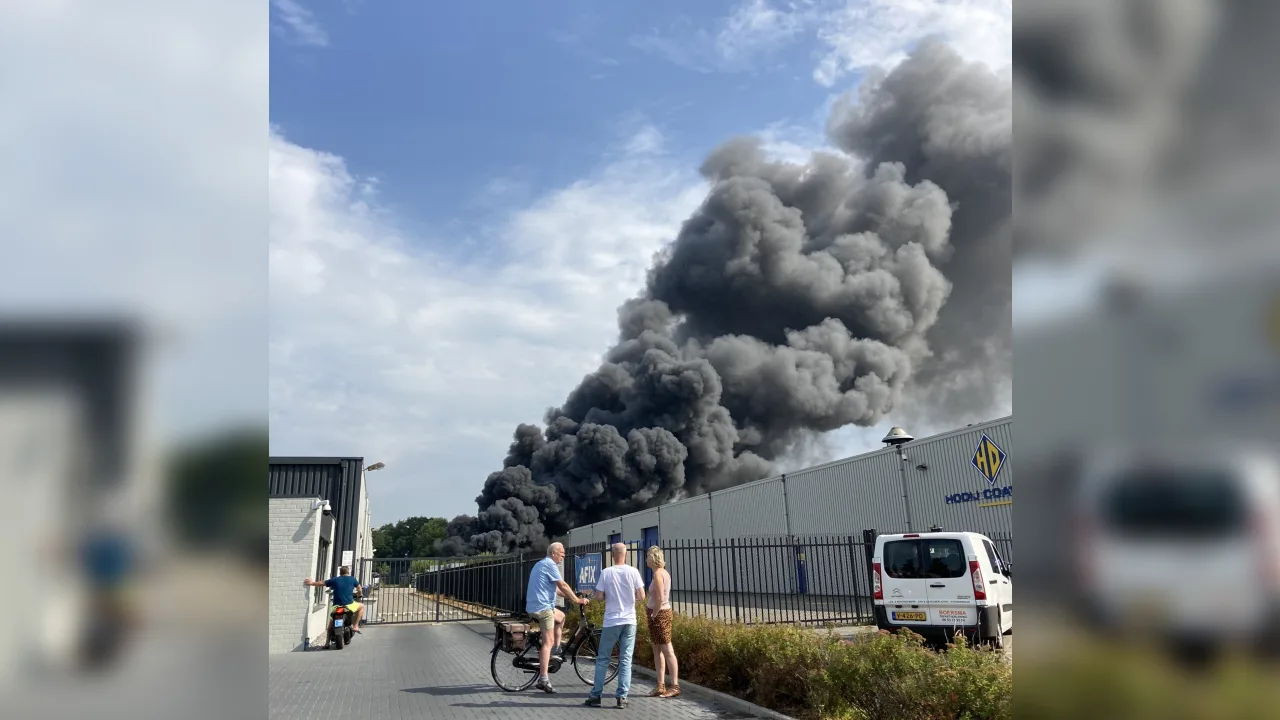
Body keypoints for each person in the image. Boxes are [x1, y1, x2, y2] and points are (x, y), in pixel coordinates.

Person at [584, 543, 645, 709]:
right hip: (629, 620)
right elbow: (641, 595)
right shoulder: (634, 572)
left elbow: (598, 596)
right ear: (625, 554)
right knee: (625, 659)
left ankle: (596, 695)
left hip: (612, 621)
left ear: (612, 555)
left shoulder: (606, 572)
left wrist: (607, 596)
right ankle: (622, 697)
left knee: (603, 658)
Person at [526, 542, 589, 694]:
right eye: (561, 553)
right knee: (547, 643)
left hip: (535, 606)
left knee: (561, 617)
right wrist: (577, 600)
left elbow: (556, 589)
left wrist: (572, 595)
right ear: (553, 553)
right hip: (543, 609)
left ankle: (557, 649)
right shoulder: (550, 565)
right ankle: (543, 679)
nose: (563, 555)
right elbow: (562, 585)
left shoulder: (541, 564)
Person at [644, 546, 680, 698]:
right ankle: (660, 685)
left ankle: (674, 685)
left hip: (660, 615)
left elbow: (659, 598)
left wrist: (654, 614)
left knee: (666, 649)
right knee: (657, 649)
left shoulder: (658, 574)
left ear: (652, 559)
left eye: (647, 557)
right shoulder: (662, 572)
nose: (646, 559)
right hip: (659, 613)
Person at [304, 566, 364, 633]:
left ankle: (327, 642)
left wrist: (311, 583)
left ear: (340, 572)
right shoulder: (352, 579)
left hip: (336, 606)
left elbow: (322, 583)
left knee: (332, 621)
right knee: (361, 606)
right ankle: (355, 626)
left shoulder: (335, 579)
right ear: (348, 572)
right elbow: (359, 588)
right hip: (349, 605)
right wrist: (360, 594)